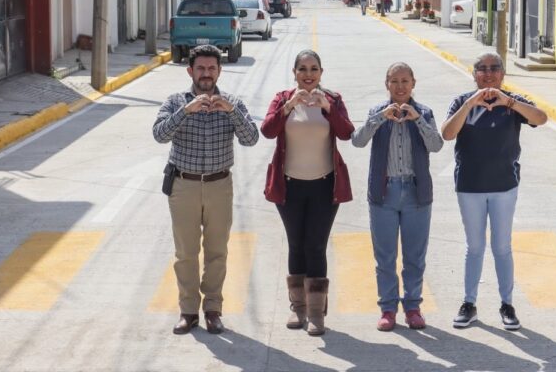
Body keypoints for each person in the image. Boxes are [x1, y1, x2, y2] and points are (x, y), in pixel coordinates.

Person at [152, 45, 259, 335]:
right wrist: (185, 112)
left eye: (212, 68)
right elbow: (159, 135)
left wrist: (231, 111)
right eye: (201, 68)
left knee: (216, 252)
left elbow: (251, 139)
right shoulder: (176, 102)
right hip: (183, 186)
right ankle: (188, 311)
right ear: (190, 71)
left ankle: (213, 309)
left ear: (219, 71)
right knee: (186, 253)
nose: (206, 74)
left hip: (218, 185)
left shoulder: (232, 102)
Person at [440, 52, 547, 331]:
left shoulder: (513, 102)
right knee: (474, 247)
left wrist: (508, 101)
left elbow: (541, 118)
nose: (488, 74)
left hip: (504, 187)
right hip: (470, 187)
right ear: (473, 74)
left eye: (494, 69)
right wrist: (469, 104)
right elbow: (447, 134)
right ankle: (469, 304)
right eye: (482, 69)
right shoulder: (462, 102)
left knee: (502, 247)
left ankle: (507, 304)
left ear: (502, 73)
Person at [261, 50, 354, 336]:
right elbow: (267, 130)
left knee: (316, 246)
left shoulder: (333, 99)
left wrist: (328, 107)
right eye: (303, 69)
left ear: (321, 72)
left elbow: (347, 132)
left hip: (324, 186)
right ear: (294, 72)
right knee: (296, 245)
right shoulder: (282, 98)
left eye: (314, 69)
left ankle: (316, 314)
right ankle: (297, 308)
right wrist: (288, 106)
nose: (308, 74)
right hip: (289, 185)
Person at [351, 62, 443, 331]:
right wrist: (380, 117)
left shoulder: (424, 112)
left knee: (415, 256)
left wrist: (418, 119)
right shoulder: (377, 112)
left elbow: (436, 145)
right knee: (385, 257)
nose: (400, 87)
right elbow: (357, 140)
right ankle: (388, 308)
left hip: (416, 193)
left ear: (413, 83)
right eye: (395, 81)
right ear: (386, 84)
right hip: (384, 192)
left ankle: (413, 306)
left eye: (405, 81)